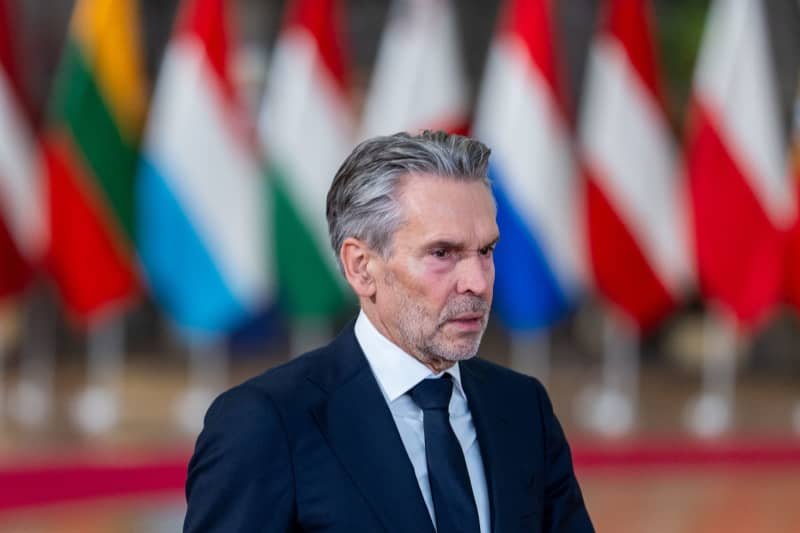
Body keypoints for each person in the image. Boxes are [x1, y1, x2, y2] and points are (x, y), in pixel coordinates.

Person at [183, 131, 594, 532]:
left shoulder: (523, 407)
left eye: (485, 251)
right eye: (442, 253)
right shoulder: (265, 423)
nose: (478, 282)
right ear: (361, 267)